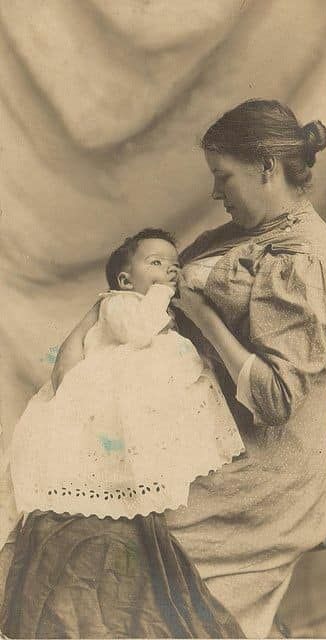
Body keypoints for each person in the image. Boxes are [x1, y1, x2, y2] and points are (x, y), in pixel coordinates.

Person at [24, 98, 326, 639]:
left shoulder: (304, 261)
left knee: (96, 536)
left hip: (263, 466)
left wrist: (202, 316)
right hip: (196, 423)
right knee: (58, 496)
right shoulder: (246, 232)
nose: (214, 192)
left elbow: (275, 398)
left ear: (266, 168)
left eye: (223, 176)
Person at [0, 228, 245, 639]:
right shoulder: (120, 304)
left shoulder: (155, 308)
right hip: (109, 392)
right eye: (155, 263)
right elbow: (138, 333)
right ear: (125, 280)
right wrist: (166, 295)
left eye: (173, 264)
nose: (169, 270)